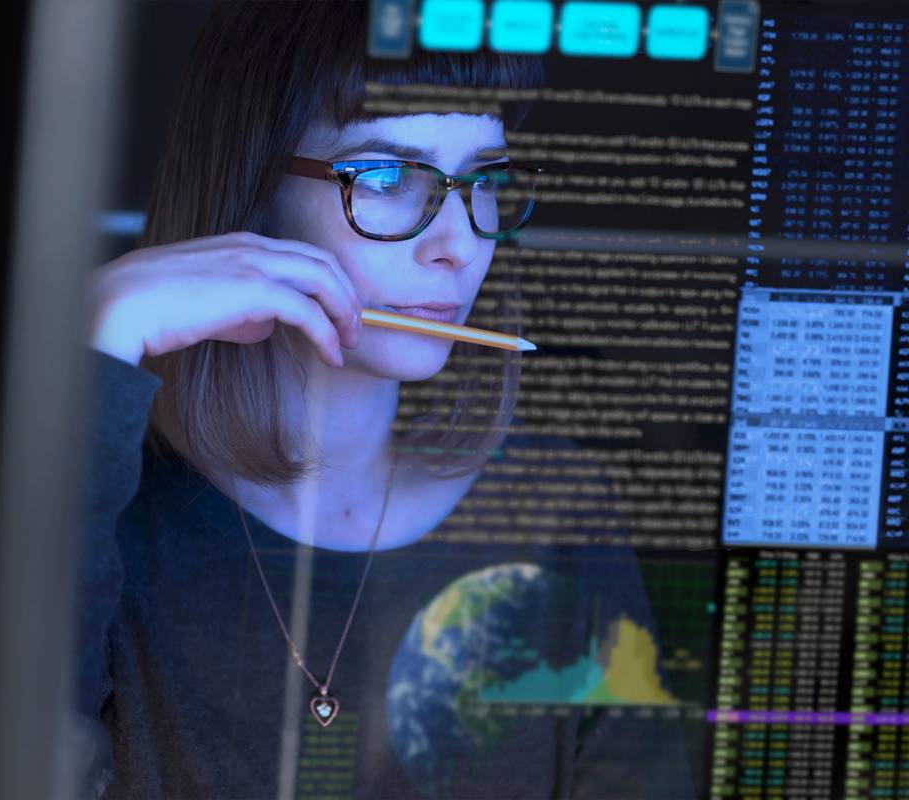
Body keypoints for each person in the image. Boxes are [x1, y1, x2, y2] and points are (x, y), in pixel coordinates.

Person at [77, 1, 694, 797]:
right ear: (249, 187)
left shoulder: (556, 510)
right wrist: (100, 340)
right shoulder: (109, 507)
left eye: (484, 181)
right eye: (386, 176)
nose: (461, 245)